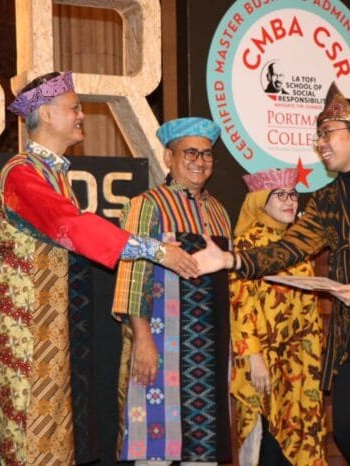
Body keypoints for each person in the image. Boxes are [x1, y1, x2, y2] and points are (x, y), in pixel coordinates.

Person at [195, 83, 350, 466]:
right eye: (319, 135)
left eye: (327, 133)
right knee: (349, 430)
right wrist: (231, 261)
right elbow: (290, 248)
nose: (320, 143)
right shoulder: (328, 198)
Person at [0, 71, 198, 466]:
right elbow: (74, 226)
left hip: (49, 324)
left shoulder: (54, 174)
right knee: (32, 433)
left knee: (58, 432)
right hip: (26, 327)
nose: (82, 115)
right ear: (47, 114)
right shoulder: (22, 174)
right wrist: (155, 250)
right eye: (75, 108)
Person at [112, 117, 233, 466]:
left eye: (207, 154)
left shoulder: (220, 212)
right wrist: (142, 339)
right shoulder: (147, 205)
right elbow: (133, 273)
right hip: (162, 344)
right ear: (168, 157)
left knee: (205, 449)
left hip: (210, 349)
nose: (200, 161)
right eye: (190, 153)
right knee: (156, 448)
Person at [230, 168, 326, 466]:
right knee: (266, 439)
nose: (289, 201)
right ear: (261, 201)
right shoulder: (246, 244)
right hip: (264, 358)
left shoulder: (298, 245)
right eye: (280, 195)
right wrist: (253, 356)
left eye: (293, 194)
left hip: (301, 360)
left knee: (301, 434)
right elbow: (240, 304)